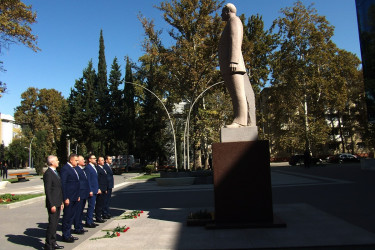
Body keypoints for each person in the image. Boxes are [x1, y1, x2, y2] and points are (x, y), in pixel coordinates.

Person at [218, 3, 256, 128]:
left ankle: (241, 121)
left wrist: (233, 60)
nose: (221, 14)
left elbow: (236, 39)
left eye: (223, 12)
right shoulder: (230, 23)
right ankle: (239, 119)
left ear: (228, 11)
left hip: (234, 65)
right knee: (235, 94)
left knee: (238, 93)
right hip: (229, 65)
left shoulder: (235, 21)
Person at [43, 155, 64, 250]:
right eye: (56, 160)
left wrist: (61, 201)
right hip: (53, 204)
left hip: (58, 202)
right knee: (52, 224)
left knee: (55, 224)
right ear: (51, 162)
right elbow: (48, 190)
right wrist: (52, 204)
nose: (58, 161)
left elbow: (58, 188)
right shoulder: (48, 173)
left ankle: (53, 242)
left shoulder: (55, 172)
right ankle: (48, 244)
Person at [60, 154, 80, 243]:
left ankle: (69, 233)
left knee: (71, 216)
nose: (77, 162)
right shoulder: (65, 169)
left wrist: (78, 195)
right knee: (67, 217)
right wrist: (65, 198)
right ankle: (65, 235)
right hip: (69, 197)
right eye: (76, 160)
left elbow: (76, 183)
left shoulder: (73, 169)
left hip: (75, 197)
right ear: (71, 160)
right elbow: (63, 184)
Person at [73, 155, 89, 234]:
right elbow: (78, 183)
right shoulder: (76, 169)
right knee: (78, 211)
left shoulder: (82, 169)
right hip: (80, 194)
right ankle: (77, 227)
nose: (84, 161)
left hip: (84, 193)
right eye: (82, 160)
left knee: (81, 211)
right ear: (78, 161)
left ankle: (80, 226)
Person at [84, 154, 99, 228]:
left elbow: (95, 179)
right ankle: (88, 221)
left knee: (92, 206)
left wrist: (98, 188)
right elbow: (88, 180)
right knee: (91, 206)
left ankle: (91, 220)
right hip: (91, 190)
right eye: (94, 158)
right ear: (89, 159)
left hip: (95, 189)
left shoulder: (93, 167)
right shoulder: (88, 168)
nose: (95, 159)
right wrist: (90, 190)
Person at [95, 156, 108, 223]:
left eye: (103, 160)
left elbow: (104, 179)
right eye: (101, 160)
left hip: (103, 188)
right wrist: (99, 188)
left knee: (102, 203)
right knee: (99, 204)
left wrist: (105, 188)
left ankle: (100, 216)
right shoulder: (97, 169)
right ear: (98, 162)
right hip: (100, 189)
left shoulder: (103, 168)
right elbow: (98, 180)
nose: (103, 161)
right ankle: (98, 217)